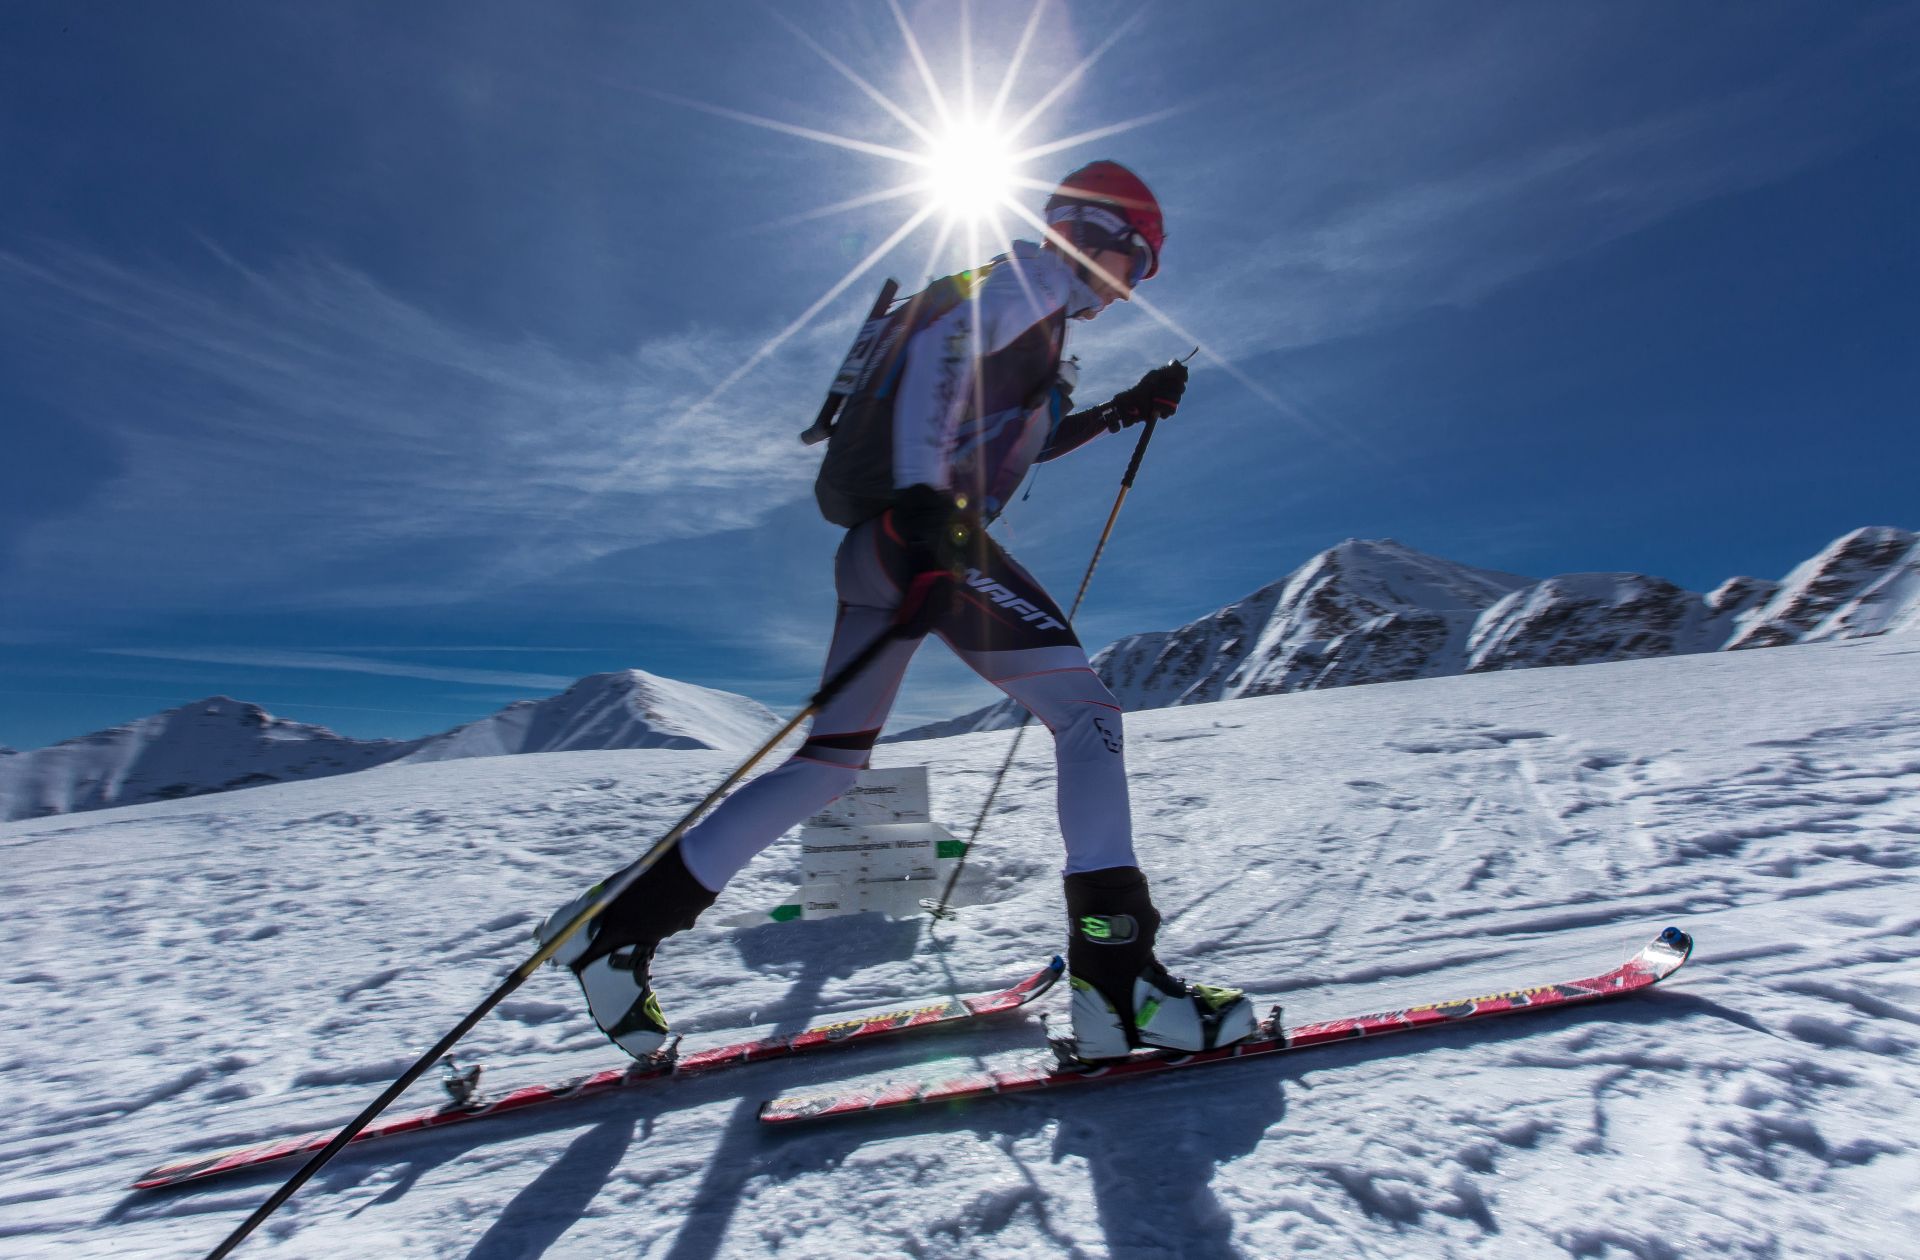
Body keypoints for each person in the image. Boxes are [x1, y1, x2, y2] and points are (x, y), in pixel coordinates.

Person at [537, 160, 1258, 1063]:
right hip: (928, 538)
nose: (1133, 290)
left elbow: (1002, 440)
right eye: (1141, 266)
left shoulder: (1032, 321)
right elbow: (938, 359)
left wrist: (1118, 413)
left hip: (878, 546)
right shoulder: (1028, 281)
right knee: (1089, 716)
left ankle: (616, 930)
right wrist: (926, 501)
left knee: (830, 764)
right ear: (1104, 237)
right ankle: (1118, 988)